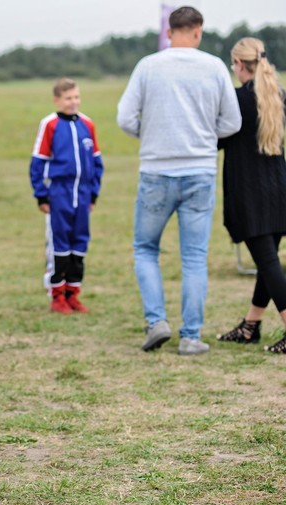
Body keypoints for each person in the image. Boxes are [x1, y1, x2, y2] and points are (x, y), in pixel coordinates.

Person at [117, 6, 241, 355]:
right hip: (200, 170)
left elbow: (125, 118)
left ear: (169, 31)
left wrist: (150, 133)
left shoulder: (148, 65)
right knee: (195, 257)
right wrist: (204, 138)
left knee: (145, 249)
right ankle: (190, 336)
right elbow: (231, 122)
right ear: (198, 31)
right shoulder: (214, 66)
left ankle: (156, 320)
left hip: (156, 169)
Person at [216, 37, 286, 352]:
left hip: (250, 194)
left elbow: (218, 140)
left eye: (234, 65)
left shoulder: (235, 100)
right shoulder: (278, 95)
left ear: (241, 65)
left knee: (269, 264)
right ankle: (251, 326)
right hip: (279, 190)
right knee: (266, 262)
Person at [30, 77, 104, 314]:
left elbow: (96, 162)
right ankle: (57, 295)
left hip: (82, 196)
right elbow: (38, 163)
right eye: (68, 98)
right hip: (59, 195)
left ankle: (73, 293)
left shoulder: (87, 124)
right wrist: (42, 195)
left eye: (76, 97)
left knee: (80, 243)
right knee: (59, 244)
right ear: (57, 100)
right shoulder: (50, 124)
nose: (73, 102)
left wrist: (93, 194)